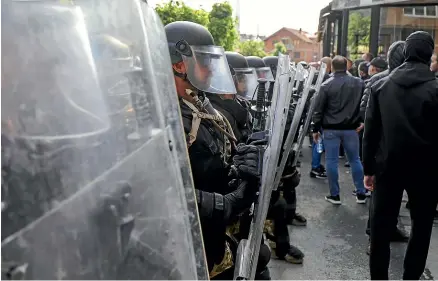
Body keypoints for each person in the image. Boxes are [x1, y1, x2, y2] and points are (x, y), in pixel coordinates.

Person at [165, 21, 269, 279]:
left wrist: (239, 170)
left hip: (208, 237)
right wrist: (226, 204)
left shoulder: (198, 104)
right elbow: (162, 194)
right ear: (179, 65)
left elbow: (209, 165)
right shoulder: (161, 117)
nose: (212, 70)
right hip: (182, 251)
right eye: (204, 61)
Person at [363, 31, 438, 280]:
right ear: (428, 54)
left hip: (387, 166)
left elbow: (371, 133)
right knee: (422, 226)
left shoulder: (380, 85)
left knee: (380, 228)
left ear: (406, 52)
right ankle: (411, 277)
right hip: (426, 170)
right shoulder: (435, 88)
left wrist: (368, 169)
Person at [359, 41, 410, 255]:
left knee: (384, 196)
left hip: (390, 149)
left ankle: (390, 230)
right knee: (380, 197)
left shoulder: (385, 80)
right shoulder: (379, 80)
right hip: (389, 148)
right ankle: (375, 236)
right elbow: (365, 111)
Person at [312, 56, 367, 205]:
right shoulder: (359, 83)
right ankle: (361, 192)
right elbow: (365, 103)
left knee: (331, 161)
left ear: (333, 67)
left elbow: (319, 109)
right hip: (351, 128)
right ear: (347, 67)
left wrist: (315, 128)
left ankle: (335, 195)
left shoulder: (326, 85)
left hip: (331, 128)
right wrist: (362, 121)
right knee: (355, 159)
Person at [309, 57, 331, 178]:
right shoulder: (327, 79)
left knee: (317, 142)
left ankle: (316, 165)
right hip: (322, 114)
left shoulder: (315, 76)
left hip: (315, 113)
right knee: (318, 142)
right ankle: (315, 167)